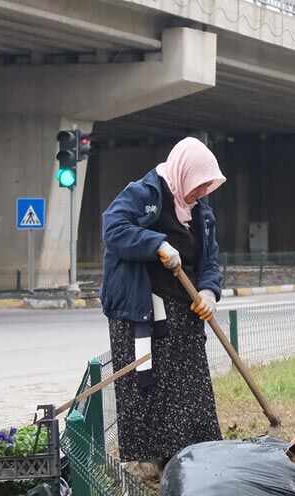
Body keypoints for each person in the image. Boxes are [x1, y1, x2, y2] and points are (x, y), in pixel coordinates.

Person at [100, 137, 226, 470]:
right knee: (148, 384)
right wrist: (155, 243)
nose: (200, 193)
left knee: (188, 389)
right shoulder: (145, 193)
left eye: (205, 187)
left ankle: (191, 455)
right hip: (142, 308)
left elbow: (209, 259)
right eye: (197, 186)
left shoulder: (201, 211)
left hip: (184, 311)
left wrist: (210, 292)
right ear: (182, 173)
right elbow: (113, 228)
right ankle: (147, 461)